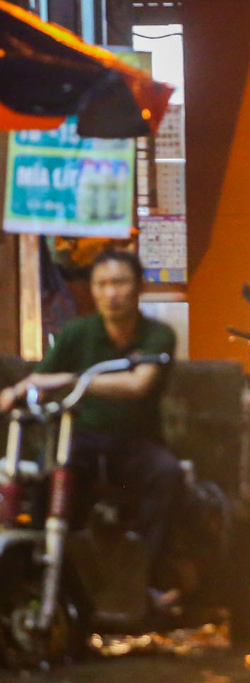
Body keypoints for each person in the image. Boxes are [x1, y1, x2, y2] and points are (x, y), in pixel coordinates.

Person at [0, 250, 181, 591]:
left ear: (138, 287)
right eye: (102, 284)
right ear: (93, 290)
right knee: (45, 475)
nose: (111, 293)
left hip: (136, 443)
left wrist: (72, 380)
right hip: (80, 440)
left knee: (166, 473)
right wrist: (17, 391)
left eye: (119, 283)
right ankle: (43, 572)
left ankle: (145, 577)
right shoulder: (77, 333)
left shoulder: (157, 335)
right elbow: (39, 380)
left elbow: (139, 383)